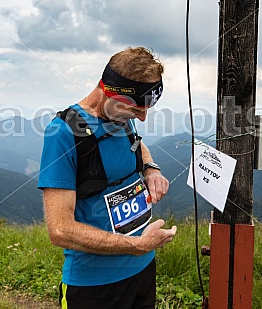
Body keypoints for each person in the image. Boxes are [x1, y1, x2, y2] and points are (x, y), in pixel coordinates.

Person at [38, 46, 177, 309]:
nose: (142, 117)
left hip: (143, 270)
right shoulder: (63, 134)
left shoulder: (120, 115)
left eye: (147, 108)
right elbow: (60, 231)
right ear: (110, 92)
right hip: (95, 284)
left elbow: (136, 143)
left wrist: (150, 168)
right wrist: (135, 245)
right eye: (136, 109)